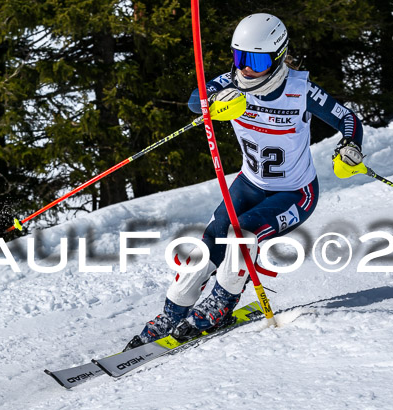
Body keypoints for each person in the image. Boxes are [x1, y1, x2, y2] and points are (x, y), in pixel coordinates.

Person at [124, 12, 364, 350]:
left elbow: (348, 119)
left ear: (278, 56)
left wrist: (350, 146)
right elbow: (197, 99)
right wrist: (214, 103)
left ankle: (221, 302)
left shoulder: (300, 89)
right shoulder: (231, 83)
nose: (246, 67)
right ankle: (173, 311)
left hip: (296, 192)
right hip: (249, 183)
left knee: (242, 234)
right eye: (240, 57)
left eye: (255, 59)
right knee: (211, 238)